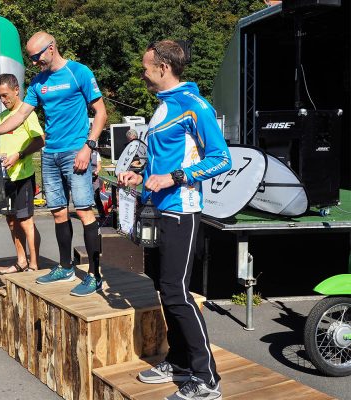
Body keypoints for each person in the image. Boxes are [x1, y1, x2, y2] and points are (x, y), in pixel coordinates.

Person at [118, 40, 231, 400]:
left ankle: (207, 379)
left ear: (164, 68)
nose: (143, 74)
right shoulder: (162, 108)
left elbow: (221, 159)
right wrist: (140, 175)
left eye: (145, 68)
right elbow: (158, 160)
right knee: (162, 287)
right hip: (154, 211)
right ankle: (179, 360)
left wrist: (175, 177)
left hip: (181, 212)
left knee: (177, 292)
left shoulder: (194, 106)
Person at [0, 31, 107, 297]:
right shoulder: (38, 83)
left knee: (83, 212)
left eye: (37, 57)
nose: (35, 62)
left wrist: (89, 146)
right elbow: (21, 115)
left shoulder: (78, 72)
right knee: (58, 212)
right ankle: (65, 266)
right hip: (51, 154)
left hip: (76, 152)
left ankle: (94, 274)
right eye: (31, 58)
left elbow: (101, 112)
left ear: (51, 48)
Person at [0, 73, 45, 274]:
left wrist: (19, 155)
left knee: (26, 220)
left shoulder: (28, 114)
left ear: (17, 90)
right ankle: (21, 260)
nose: (3, 100)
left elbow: (40, 140)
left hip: (23, 175)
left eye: (5, 95)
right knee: (12, 220)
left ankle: (34, 264)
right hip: (7, 177)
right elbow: (6, 143)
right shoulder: (3, 116)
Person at [91, 149, 105, 219]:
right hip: (85, 177)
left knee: (97, 196)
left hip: (94, 176)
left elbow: (99, 165)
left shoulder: (96, 153)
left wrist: (97, 171)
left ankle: (102, 214)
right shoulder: (82, 151)